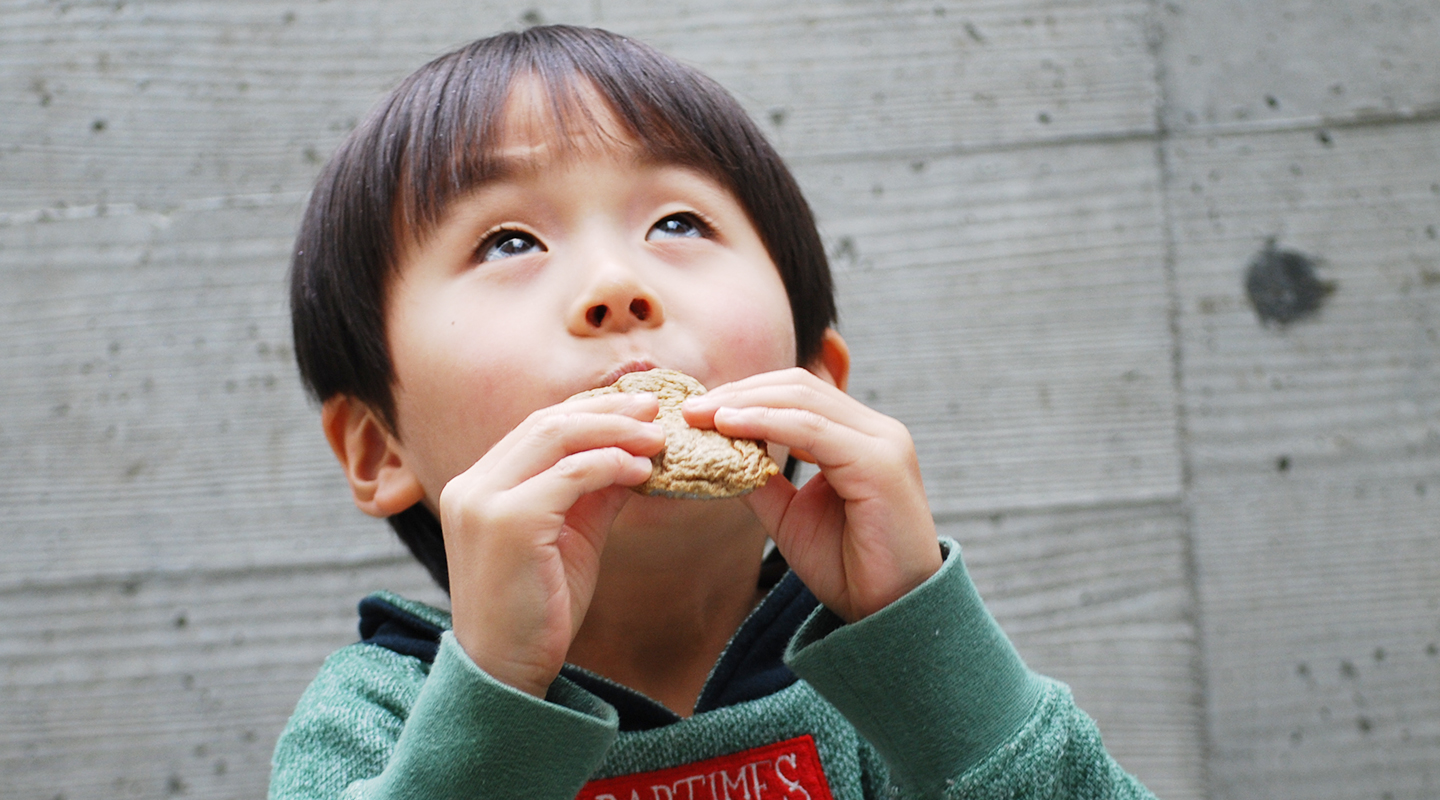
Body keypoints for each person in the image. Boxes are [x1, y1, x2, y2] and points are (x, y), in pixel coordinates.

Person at [271, 24, 1156, 800]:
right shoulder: (370, 724)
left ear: (815, 381)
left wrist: (925, 639)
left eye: (678, 223)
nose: (617, 287)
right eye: (510, 241)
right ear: (378, 447)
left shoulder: (895, 692)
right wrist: (493, 701)